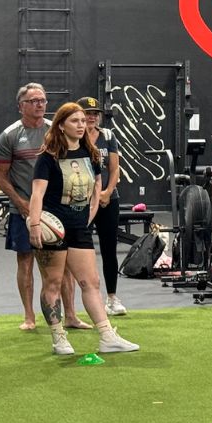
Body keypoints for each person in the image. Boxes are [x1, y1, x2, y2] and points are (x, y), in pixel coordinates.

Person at [27, 102, 138, 356]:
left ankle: (107, 336)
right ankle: (58, 337)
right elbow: (37, 193)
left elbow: (96, 186)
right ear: (61, 125)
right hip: (52, 227)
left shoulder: (90, 154)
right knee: (53, 282)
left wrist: (89, 216)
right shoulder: (48, 157)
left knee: (91, 281)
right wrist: (34, 224)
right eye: (75, 121)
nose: (82, 125)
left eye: (83, 121)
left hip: (79, 227)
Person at [0, 84, 86, 332]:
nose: (40, 105)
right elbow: (1, 176)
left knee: (64, 264)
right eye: (33, 100)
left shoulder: (55, 132)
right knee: (25, 261)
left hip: (57, 211)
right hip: (23, 211)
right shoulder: (10, 135)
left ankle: (70, 315)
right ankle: (29, 317)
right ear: (21, 105)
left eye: (43, 100)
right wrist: (22, 204)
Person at [77, 96, 127, 317]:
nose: (91, 117)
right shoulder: (74, 137)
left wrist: (106, 193)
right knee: (80, 251)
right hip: (82, 202)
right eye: (87, 113)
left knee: (109, 250)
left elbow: (114, 169)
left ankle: (112, 298)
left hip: (108, 199)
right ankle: (83, 301)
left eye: (94, 113)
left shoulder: (108, 136)